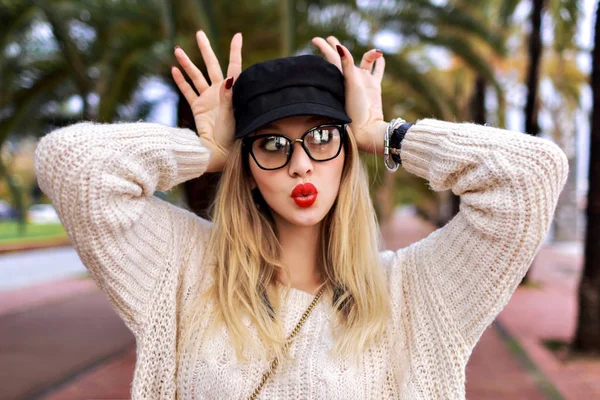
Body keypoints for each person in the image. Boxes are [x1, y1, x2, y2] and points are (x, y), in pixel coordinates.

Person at [34, 31, 568, 399]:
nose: (300, 165)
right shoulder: (186, 271)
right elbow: (74, 165)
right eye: (271, 144)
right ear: (249, 165)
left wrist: (381, 134)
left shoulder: (416, 292)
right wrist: (210, 151)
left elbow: (531, 175)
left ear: (346, 154)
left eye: (321, 137)